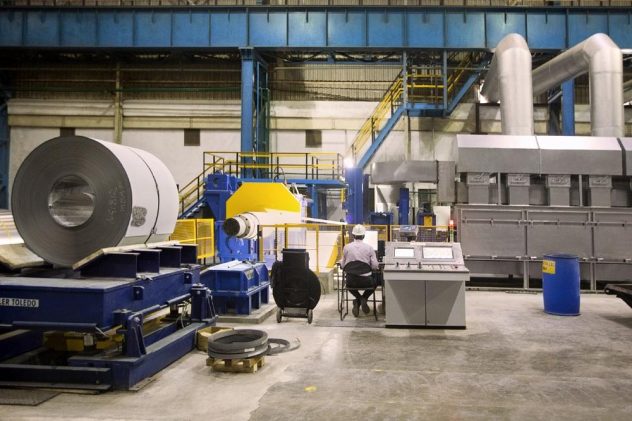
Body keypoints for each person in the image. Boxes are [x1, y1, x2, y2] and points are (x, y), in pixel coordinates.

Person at [341, 224, 379, 317]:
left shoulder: (346, 247)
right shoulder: (369, 248)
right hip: (366, 282)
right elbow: (375, 266)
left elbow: (342, 265)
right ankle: (363, 299)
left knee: (348, 285)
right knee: (377, 281)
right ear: (364, 236)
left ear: (353, 235)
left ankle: (358, 300)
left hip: (351, 281)